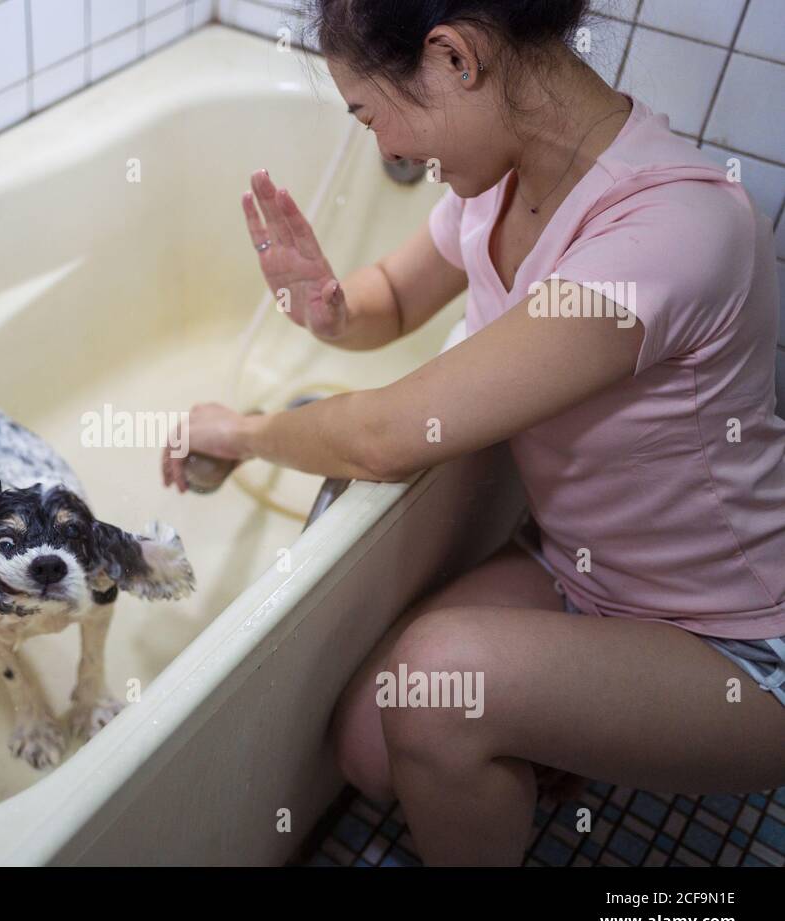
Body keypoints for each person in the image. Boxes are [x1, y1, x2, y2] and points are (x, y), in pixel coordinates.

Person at [161, 0, 785, 865]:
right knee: (368, 754)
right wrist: (327, 308)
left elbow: (385, 435)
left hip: (737, 640)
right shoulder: (500, 181)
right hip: (578, 574)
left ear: (455, 58)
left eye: (373, 115)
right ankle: (556, 732)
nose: (389, 152)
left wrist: (243, 433)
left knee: (429, 695)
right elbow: (395, 297)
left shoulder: (672, 230)